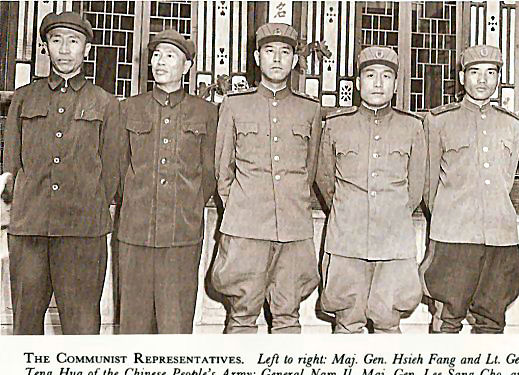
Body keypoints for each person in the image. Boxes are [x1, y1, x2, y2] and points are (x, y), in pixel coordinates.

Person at [1, 12, 119, 334]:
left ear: (87, 50)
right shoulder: (24, 98)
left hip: (82, 233)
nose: (64, 49)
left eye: (73, 41)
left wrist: (86, 204)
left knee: (81, 327)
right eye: (56, 41)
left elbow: (111, 172)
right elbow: (11, 163)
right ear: (46, 48)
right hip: (30, 231)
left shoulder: (105, 103)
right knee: (25, 325)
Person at [212, 23, 322, 334]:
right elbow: (224, 170)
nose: (277, 59)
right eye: (269, 51)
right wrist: (241, 208)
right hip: (245, 228)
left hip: (292, 228)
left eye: (285, 52)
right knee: (242, 316)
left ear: (295, 61)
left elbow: (309, 170)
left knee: (288, 317)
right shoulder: (235, 105)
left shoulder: (309, 109)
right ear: (257, 58)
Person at [316, 46, 426, 334]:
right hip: (346, 241)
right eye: (370, 75)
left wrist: (393, 212)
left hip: (393, 242)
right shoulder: (337, 126)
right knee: (346, 322)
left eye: (386, 76)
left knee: (389, 323)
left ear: (396, 84)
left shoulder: (412, 127)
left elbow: (415, 188)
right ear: (357, 83)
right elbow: (326, 180)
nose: (378, 83)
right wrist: (348, 208)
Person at [116, 30, 217, 334]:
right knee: (133, 326)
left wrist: (187, 208)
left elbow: (209, 173)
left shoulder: (206, 112)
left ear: (186, 67)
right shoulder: (128, 109)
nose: (160, 62)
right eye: (156, 55)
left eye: (170, 56)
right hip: (135, 234)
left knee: (176, 326)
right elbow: (119, 168)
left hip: (182, 236)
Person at [422, 45, 519, 334]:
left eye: (491, 72)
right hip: (454, 236)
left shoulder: (511, 124)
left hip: (500, 237)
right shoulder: (439, 121)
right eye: (475, 72)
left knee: (492, 320)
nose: (483, 79)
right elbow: (429, 185)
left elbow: (507, 180)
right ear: (462, 77)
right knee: (447, 319)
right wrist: (449, 215)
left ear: (498, 78)